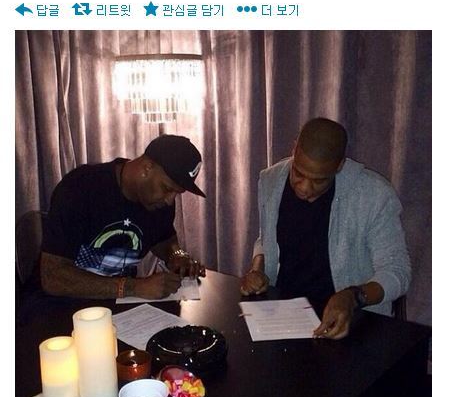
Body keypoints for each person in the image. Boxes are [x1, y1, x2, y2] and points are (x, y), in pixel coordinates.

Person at [240, 118, 411, 340]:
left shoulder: (374, 196)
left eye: (319, 181)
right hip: (283, 314)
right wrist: (257, 269)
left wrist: (353, 297)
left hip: (349, 323)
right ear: (294, 149)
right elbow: (266, 239)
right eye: (298, 173)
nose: (305, 188)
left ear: (340, 165)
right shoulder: (271, 180)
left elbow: (398, 271)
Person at [41, 134, 206, 300]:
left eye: (177, 193)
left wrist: (177, 255)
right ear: (147, 168)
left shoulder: (159, 203)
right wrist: (134, 287)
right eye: (168, 188)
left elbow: (164, 239)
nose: (170, 200)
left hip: (122, 304)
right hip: (65, 305)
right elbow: (52, 276)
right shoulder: (80, 187)